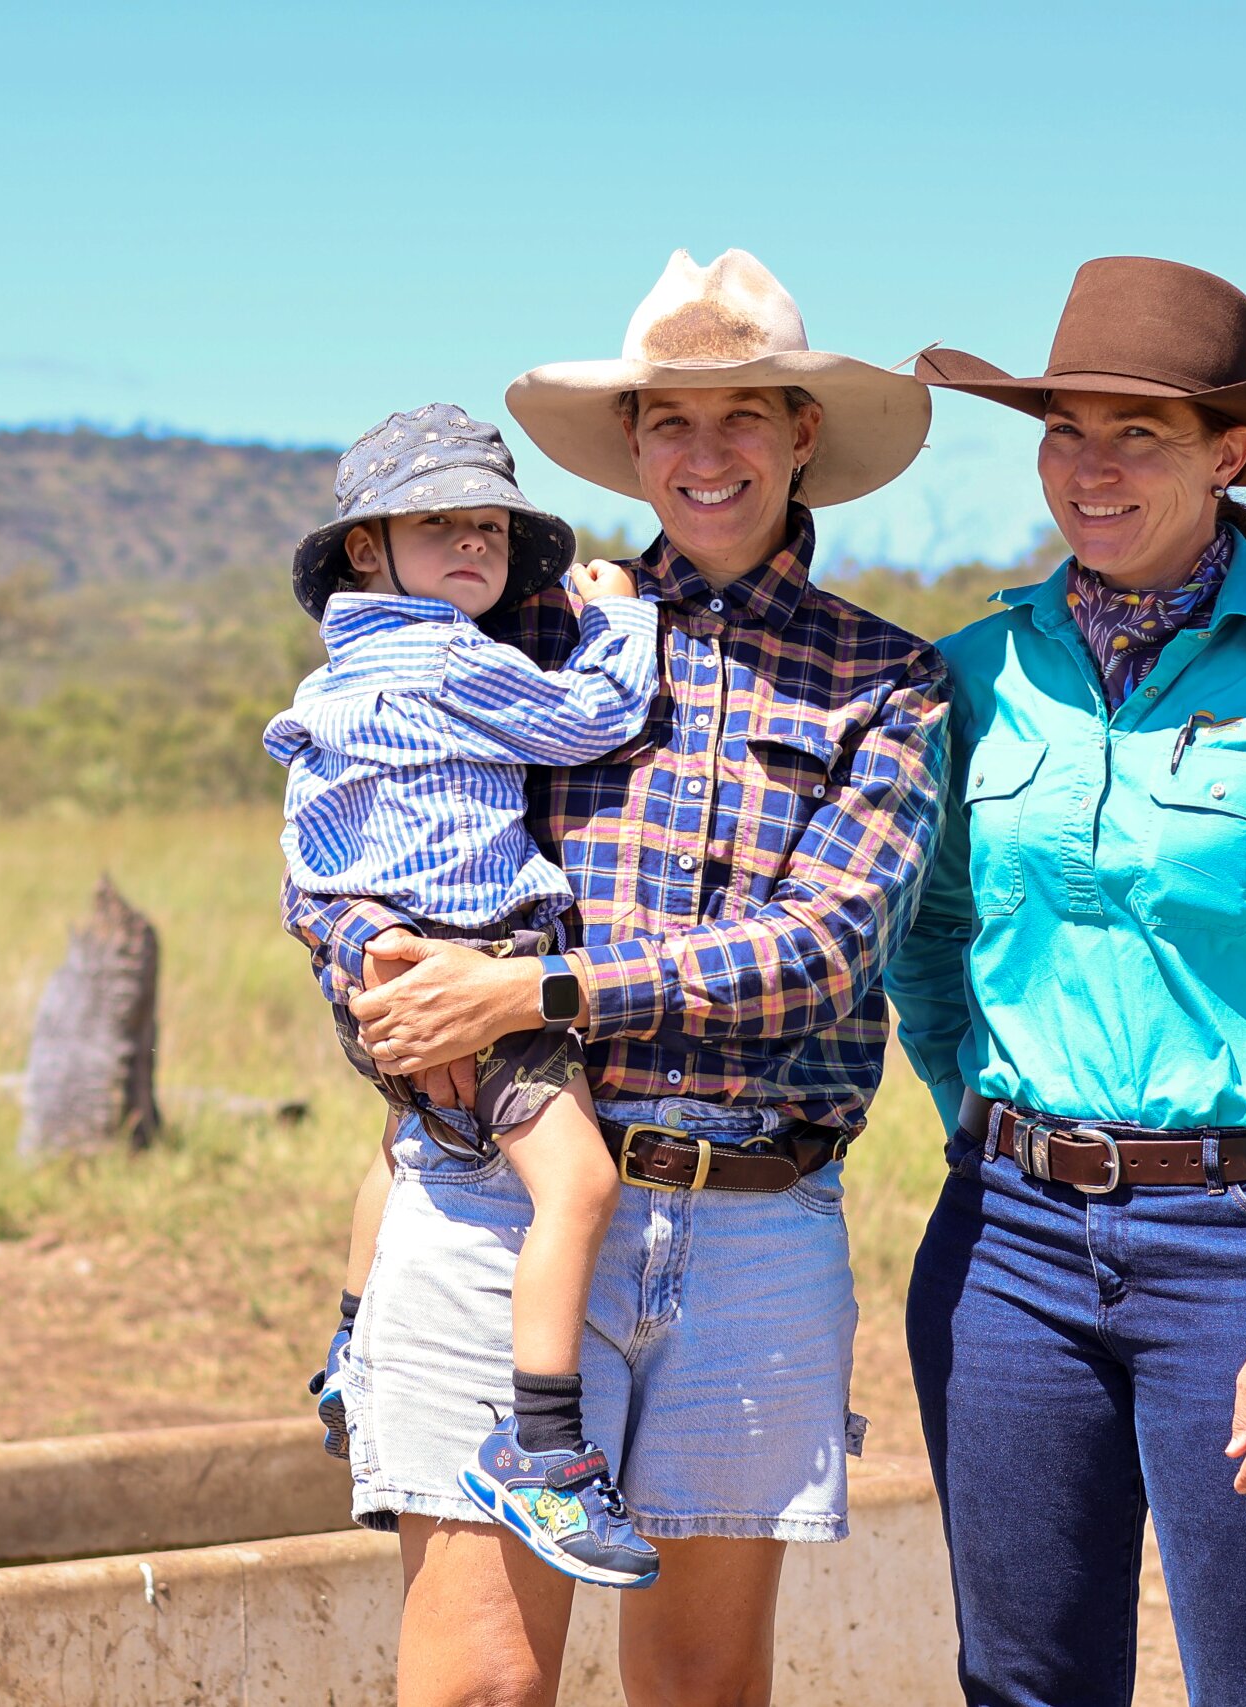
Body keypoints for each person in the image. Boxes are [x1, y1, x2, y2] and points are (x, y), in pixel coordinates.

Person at [286, 249, 944, 1707]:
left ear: (801, 435)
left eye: (741, 419)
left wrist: (533, 995)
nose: (704, 456)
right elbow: (347, 836)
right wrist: (378, 970)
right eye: (670, 422)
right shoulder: (507, 632)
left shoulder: (886, 682)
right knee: (480, 1684)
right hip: (497, 1194)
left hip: (754, 1221)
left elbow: (824, 952)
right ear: (636, 446)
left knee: (704, 1684)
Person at [885, 256, 1246, 1706]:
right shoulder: (970, 679)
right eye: (1066, 428)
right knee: (1021, 1681)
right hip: (1007, 1243)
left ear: (1229, 452)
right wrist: (980, 1113)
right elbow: (927, 937)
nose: (1092, 467)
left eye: (1140, 431)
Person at [267, 403, 663, 1587]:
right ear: (365, 550)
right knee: (579, 1181)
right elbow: (593, 718)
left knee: (404, 1137)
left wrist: (363, 945)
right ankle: (541, 1446)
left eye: (488, 525)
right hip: (472, 953)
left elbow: (304, 844)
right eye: (436, 523)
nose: (473, 546)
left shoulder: (336, 674)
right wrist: (622, 623)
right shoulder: (448, 655)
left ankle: (350, 1344)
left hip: (378, 960)